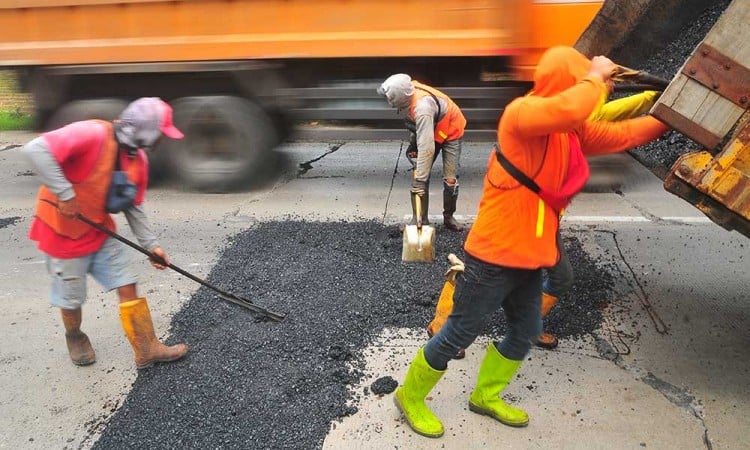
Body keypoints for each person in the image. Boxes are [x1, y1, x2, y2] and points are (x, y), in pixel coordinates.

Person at [393, 46, 670, 438]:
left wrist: (667, 119)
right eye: (580, 83)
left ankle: (485, 396)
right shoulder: (522, 114)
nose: (595, 91)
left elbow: (622, 132)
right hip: (493, 255)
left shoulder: (566, 132)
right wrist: (597, 75)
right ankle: (410, 396)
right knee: (458, 332)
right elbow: (573, 108)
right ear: (566, 83)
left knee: (524, 330)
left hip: (530, 257)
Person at [23, 97, 189, 370]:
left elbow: (133, 206)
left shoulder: (138, 160)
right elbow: (36, 149)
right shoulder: (92, 133)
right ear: (147, 129)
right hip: (61, 233)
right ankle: (74, 336)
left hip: (99, 233)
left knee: (127, 282)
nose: (162, 139)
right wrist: (65, 195)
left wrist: (151, 245)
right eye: (161, 133)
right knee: (71, 298)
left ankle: (147, 349)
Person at [536, 87, 660, 349]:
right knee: (517, 277)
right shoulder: (574, 121)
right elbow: (616, 124)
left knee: (505, 276)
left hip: (540, 219)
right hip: (532, 221)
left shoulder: (563, 117)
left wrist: (650, 98)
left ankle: (526, 326)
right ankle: (450, 325)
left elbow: (615, 117)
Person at [377, 74, 467, 231]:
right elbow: (416, 127)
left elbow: (427, 147)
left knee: (449, 180)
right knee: (419, 172)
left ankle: (449, 217)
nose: (387, 101)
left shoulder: (423, 107)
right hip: (431, 127)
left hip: (451, 131)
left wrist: (420, 179)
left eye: (389, 98)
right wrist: (413, 146)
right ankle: (419, 220)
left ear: (398, 97)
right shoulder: (407, 94)